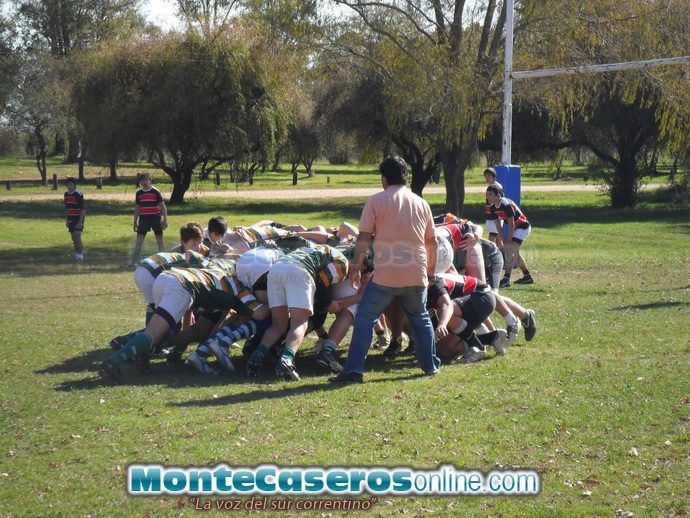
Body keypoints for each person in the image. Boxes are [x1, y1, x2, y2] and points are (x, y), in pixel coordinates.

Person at [330, 155, 441, 383]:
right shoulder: (421, 203)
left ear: (384, 179)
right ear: (405, 177)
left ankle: (353, 371)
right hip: (416, 272)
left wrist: (356, 267)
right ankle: (430, 366)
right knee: (420, 317)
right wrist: (430, 272)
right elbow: (432, 242)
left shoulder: (376, 201)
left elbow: (363, 239)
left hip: (386, 275)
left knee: (365, 317)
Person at [245, 245, 349, 381]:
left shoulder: (319, 249)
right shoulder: (343, 261)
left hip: (276, 269)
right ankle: (287, 359)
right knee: (299, 322)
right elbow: (320, 281)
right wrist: (329, 303)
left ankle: (259, 352)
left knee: (278, 324)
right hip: (298, 271)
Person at [486, 183, 534, 287]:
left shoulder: (505, 204)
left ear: (498, 195)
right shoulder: (492, 207)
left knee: (510, 250)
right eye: (487, 194)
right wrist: (504, 241)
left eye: (490, 194)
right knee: (514, 253)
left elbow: (511, 225)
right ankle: (527, 276)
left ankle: (506, 279)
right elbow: (498, 226)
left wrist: (509, 241)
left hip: (523, 227)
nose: (488, 197)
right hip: (516, 228)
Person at [131, 172, 168, 265]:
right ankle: (134, 262)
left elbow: (162, 206)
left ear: (150, 181)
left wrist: (165, 219)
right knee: (139, 241)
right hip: (144, 218)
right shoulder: (139, 193)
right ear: (140, 182)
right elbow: (137, 208)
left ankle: (163, 261)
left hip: (155, 218)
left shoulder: (155, 191)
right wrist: (135, 222)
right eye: (143, 180)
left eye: (146, 180)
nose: (145, 182)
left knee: (159, 240)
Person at [64, 177, 86, 261]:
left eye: (71, 184)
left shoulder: (77, 194)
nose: (69, 186)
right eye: (68, 185)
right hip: (71, 218)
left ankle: (80, 255)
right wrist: (67, 220)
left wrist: (80, 221)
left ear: (74, 185)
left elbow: (83, 208)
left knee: (77, 237)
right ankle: (77, 254)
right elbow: (67, 208)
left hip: (77, 218)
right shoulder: (66, 194)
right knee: (73, 237)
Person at [483, 167, 503, 242]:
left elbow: (500, 201)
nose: (487, 178)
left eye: (489, 175)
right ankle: (503, 249)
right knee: (498, 239)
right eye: (486, 176)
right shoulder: (490, 186)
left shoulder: (497, 187)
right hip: (490, 214)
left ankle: (489, 249)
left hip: (495, 215)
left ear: (494, 177)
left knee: (492, 237)